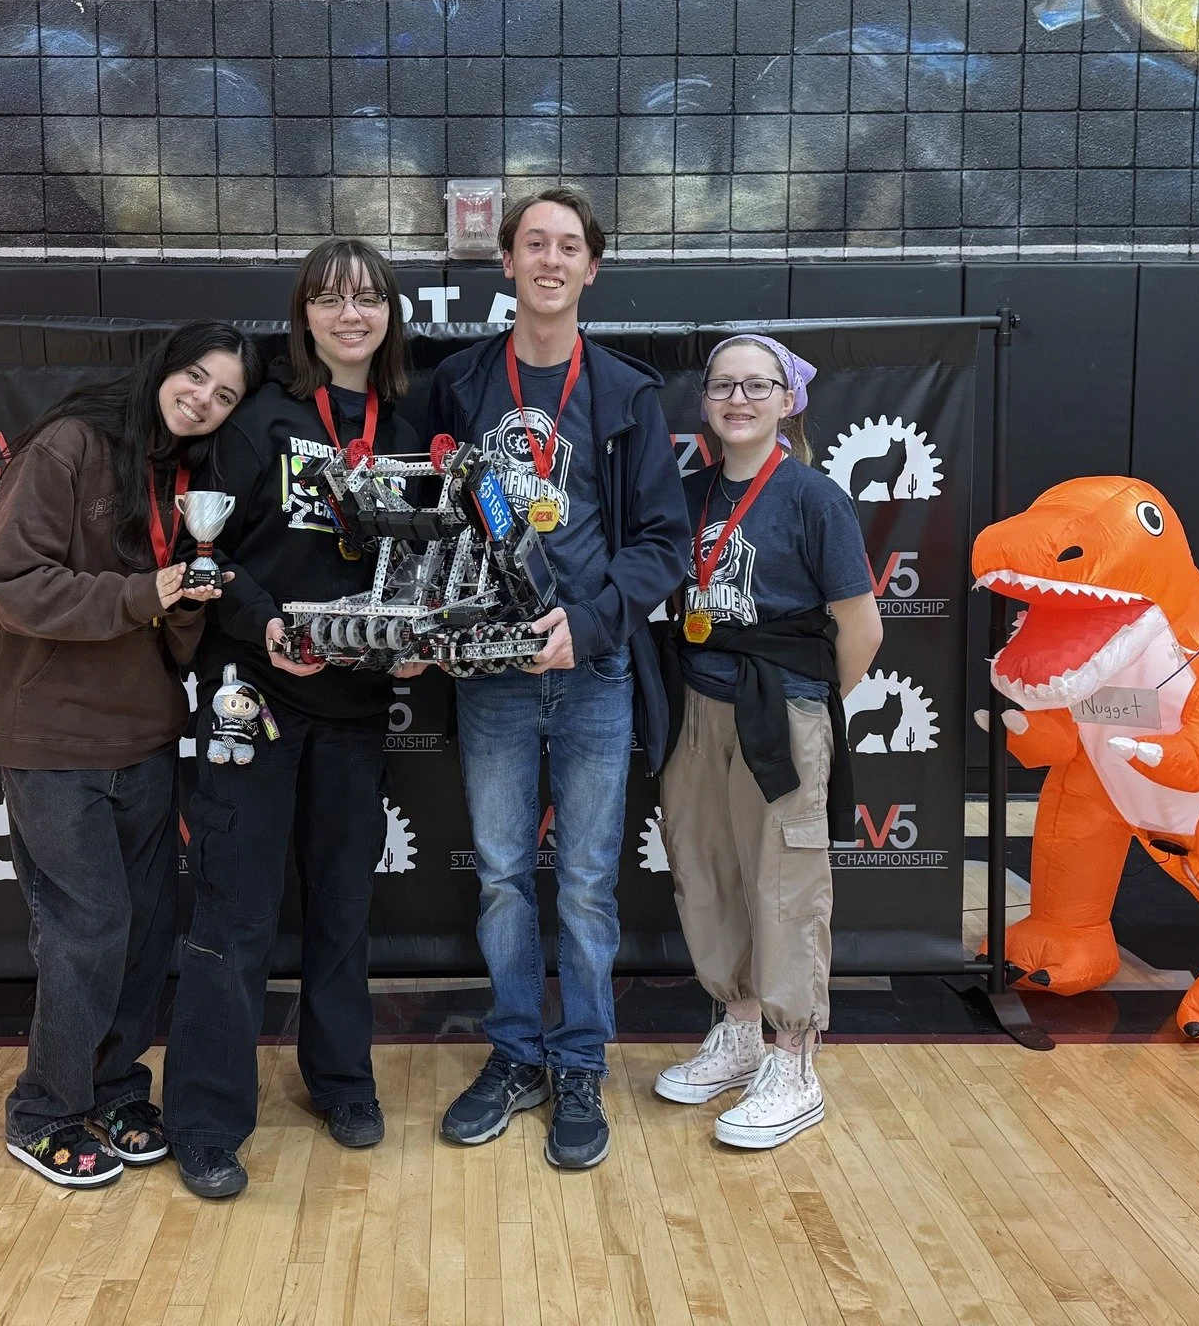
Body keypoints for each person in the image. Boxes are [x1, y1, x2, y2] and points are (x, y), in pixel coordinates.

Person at [427, 187, 689, 1170]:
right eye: (530, 242)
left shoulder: (622, 391)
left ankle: (578, 1064)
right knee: (500, 879)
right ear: (504, 263)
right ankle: (511, 1057)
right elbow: (433, 523)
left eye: (566, 245)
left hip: (593, 671)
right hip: (488, 671)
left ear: (591, 268)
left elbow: (663, 542)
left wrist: (586, 624)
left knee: (581, 884)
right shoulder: (458, 385)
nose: (547, 258)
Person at [164, 237, 423, 1201]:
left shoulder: (412, 418)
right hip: (252, 698)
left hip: (356, 701)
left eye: (367, 299)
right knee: (232, 914)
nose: (350, 315)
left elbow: (431, 553)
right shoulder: (257, 415)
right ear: (304, 313)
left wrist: (426, 631)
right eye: (329, 299)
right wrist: (260, 621)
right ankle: (203, 1118)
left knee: (343, 910)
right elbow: (209, 550)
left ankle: (342, 1081)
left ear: (390, 313)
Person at [0, 322, 261, 1189]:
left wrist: (189, 597)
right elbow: (17, 586)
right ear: (162, 366)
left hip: (143, 737)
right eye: (196, 379)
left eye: (225, 398)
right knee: (88, 928)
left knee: (141, 933)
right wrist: (152, 590)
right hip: (53, 745)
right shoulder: (67, 446)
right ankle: (45, 1110)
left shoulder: (181, 479)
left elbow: (172, 643)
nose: (204, 402)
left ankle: (113, 1087)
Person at [654, 335, 882, 1148]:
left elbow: (861, 626)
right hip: (697, 706)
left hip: (779, 711)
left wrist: (809, 710)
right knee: (706, 869)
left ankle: (794, 1058)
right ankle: (739, 1026)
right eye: (723, 386)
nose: (739, 399)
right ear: (706, 402)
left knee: (784, 880)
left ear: (788, 400)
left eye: (758, 385)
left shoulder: (814, 498)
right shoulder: (687, 494)